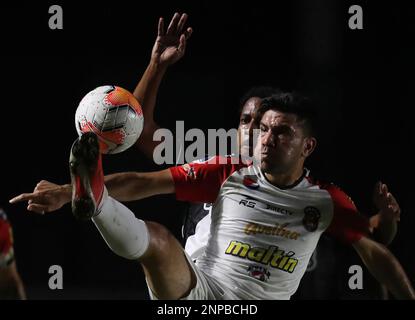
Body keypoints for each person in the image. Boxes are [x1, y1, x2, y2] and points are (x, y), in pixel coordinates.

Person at [9, 92, 415, 300]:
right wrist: (66, 193)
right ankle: (94, 200)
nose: (266, 138)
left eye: (281, 131)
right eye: (260, 127)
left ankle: (96, 201)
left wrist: (388, 220)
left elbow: (374, 241)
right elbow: (144, 178)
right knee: (158, 240)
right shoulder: (225, 170)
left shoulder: (325, 200)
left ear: (308, 146)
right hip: (199, 290)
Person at [0, 207, 26, 299]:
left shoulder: (3, 221)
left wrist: (4, 252)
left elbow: (7, 239)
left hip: (4, 250)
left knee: (14, 279)